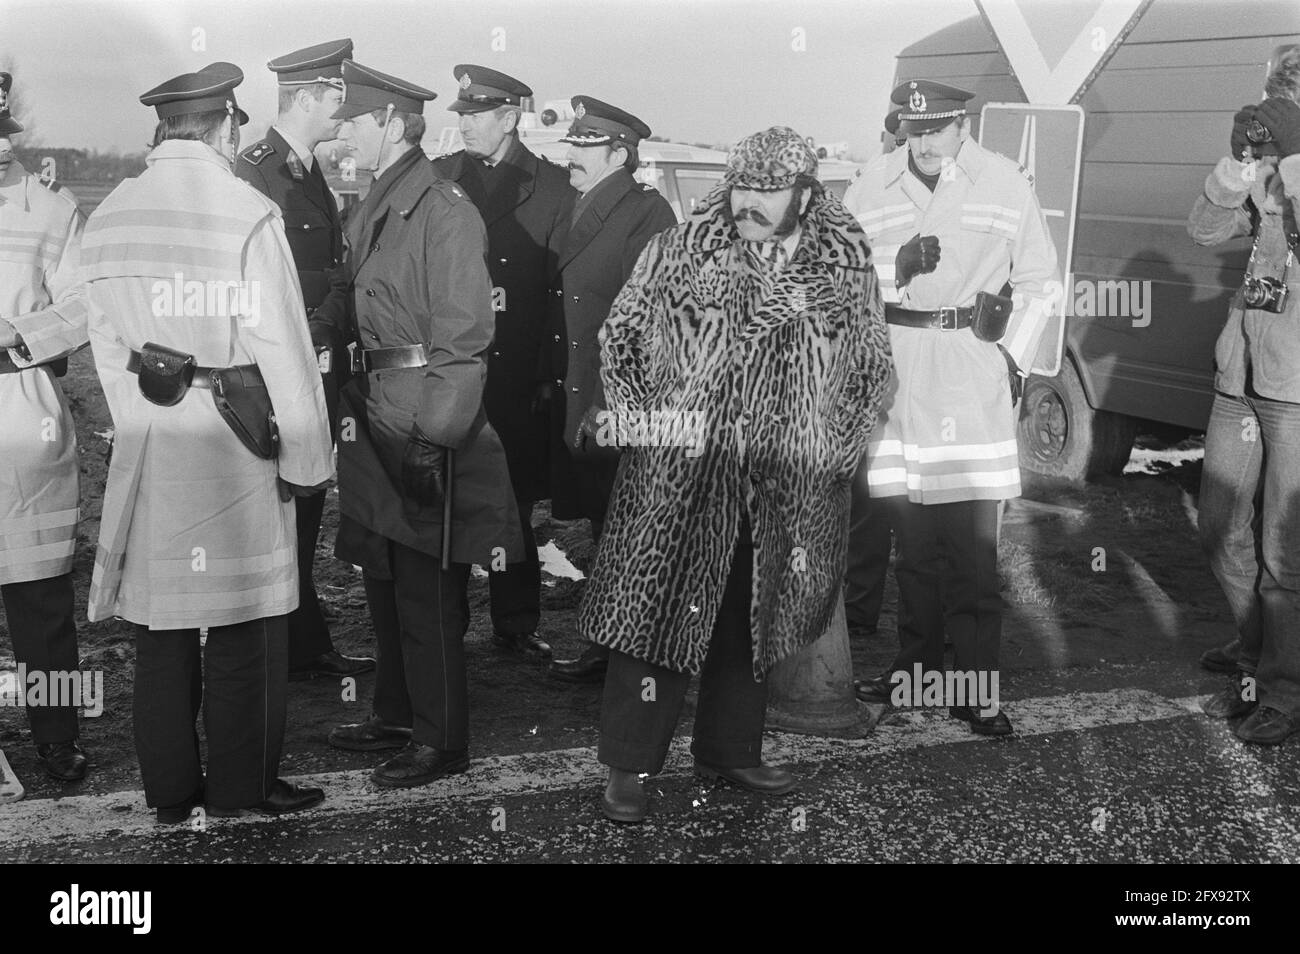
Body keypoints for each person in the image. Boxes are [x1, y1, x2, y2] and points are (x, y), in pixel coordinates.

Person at [582, 126, 891, 822]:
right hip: (684, 472)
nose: (749, 200)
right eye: (742, 185)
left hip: (785, 475)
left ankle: (729, 749)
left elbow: (872, 363)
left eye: (768, 190)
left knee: (750, 619)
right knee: (657, 614)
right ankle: (627, 765)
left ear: (806, 194)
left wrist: (838, 449)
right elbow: (622, 334)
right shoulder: (682, 248)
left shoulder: (843, 265)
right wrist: (648, 428)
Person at [80, 63, 335, 821]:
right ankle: (240, 789)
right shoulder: (245, 212)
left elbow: (101, 337)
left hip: (155, 436)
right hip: (234, 444)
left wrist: (136, 415)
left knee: (159, 628)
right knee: (245, 625)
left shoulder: (113, 213)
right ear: (224, 126)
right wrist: (307, 461)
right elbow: (284, 350)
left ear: (164, 129)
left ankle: (168, 793)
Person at [325, 60, 523, 784]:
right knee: (384, 574)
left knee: (427, 587)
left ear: (388, 123)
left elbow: (464, 335)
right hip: (378, 405)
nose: (340, 131)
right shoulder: (379, 199)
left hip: (418, 411)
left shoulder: (443, 208)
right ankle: (397, 712)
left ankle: (443, 740)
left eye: (351, 120)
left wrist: (435, 438)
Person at [843, 80, 1058, 736]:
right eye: (915, 131)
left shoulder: (1002, 180)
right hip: (901, 371)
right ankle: (915, 672)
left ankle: (974, 686)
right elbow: (840, 280)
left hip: (970, 371)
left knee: (971, 549)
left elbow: (1040, 283)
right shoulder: (871, 184)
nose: (927, 143)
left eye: (939, 129)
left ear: (963, 125)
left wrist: (1011, 362)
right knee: (911, 543)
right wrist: (891, 271)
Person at [236, 38, 374, 682]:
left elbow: (332, 265)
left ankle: (300, 635)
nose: (343, 117)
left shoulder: (305, 168)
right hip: (279, 363)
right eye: (336, 102)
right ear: (308, 98)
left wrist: (327, 323)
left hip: (316, 355)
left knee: (308, 495)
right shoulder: (257, 170)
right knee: (285, 497)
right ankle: (278, 639)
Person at [432, 64, 575, 660]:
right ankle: (446, 620)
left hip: (516, 373)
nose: (463, 126)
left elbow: (557, 289)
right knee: (447, 497)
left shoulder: (552, 187)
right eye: (459, 115)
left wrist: (546, 372)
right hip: (454, 366)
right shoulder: (440, 179)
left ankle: (515, 623)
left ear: (510, 118)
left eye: (475, 115)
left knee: (512, 500)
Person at [542, 96, 677, 683]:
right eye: (572, 144)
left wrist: (619, 401)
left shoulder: (648, 214)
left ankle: (634, 650)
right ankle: (608, 645)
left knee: (627, 524)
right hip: (578, 391)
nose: (571, 155)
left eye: (585, 146)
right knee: (602, 521)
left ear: (619, 154)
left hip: (617, 399)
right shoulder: (576, 205)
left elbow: (659, 319)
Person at [1190, 48, 1300, 745]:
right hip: (1242, 371)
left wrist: (1290, 164)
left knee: (1285, 550)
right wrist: (1238, 165)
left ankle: (1281, 691)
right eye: (1278, 93)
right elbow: (1201, 229)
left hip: (1295, 386)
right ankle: (1260, 652)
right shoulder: (1265, 167)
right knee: (1220, 525)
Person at [0, 70, 91, 786]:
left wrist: (15, 334)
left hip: (23, 411)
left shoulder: (52, 210)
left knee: (39, 601)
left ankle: (57, 738)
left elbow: (85, 306)